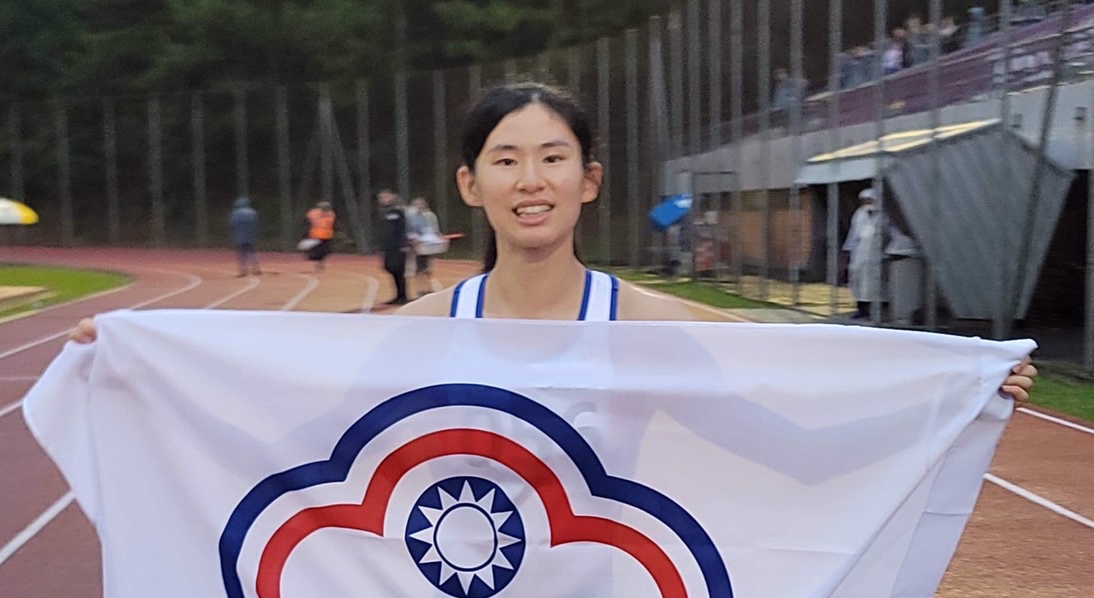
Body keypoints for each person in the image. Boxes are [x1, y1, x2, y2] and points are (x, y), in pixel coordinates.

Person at [69, 82, 1035, 403]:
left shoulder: (645, 319)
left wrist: (954, 378)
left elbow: (799, 369)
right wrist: (133, 365)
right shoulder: (423, 325)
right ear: (470, 185)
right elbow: (273, 384)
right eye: (504, 160)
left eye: (552, 158)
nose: (529, 180)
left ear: (588, 180)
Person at [843, 187, 887, 321]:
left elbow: (889, 232)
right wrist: (848, 250)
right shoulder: (859, 214)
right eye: (864, 200)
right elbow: (853, 233)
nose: (866, 203)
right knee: (858, 281)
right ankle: (861, 309)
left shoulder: (883, 215)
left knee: (875, 283)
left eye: (869, 199)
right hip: (859, 253)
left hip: (876, 254)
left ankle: (877, 311)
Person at [379, 189, 412, 306]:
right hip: (389, 246)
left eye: (386, 197)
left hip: (398, 246)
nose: (383, 199)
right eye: (382, 197)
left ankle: (403, 296)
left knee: (398, 270)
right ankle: (398, 295)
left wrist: (404, 244)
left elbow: (402, 228)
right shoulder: (384, 212)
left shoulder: (397, 211)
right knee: (390, 268)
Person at [408, 196, 441, 298]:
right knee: (420, 268)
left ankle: (425, 289)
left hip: (425, 244)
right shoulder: (416, 216)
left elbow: (430, 229)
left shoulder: (428, 215)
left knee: (423, 268)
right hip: (420, 244)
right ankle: (422, 289)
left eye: (418, 204)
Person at [228, 196, 260, 278]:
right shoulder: (252, 212)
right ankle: (256, 269)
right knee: (252, 252)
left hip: (239, 235)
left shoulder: (235, 213)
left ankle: (243, 270)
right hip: (251, 235)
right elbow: (256, 222)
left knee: (241, 254)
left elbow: (232, 224)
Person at [304, 201, 336, 272]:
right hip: (316, 235)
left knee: (325, 251)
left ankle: (320, 262)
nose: (324, 209)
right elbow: (309, 216)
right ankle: (318, 263)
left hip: (326, 236)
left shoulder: (330, 214)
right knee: (316, 251)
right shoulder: (315, 213)